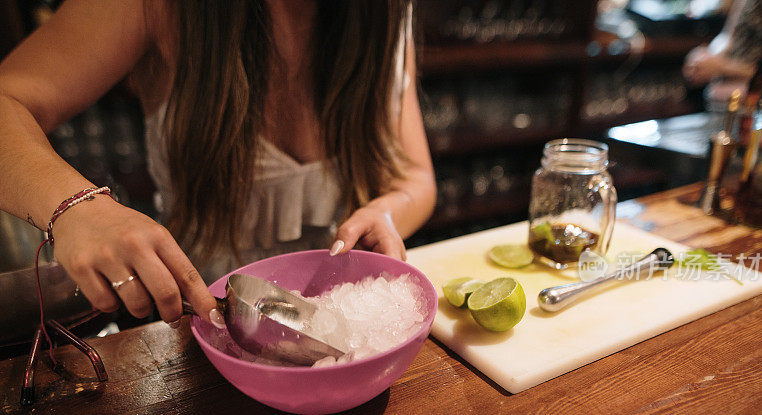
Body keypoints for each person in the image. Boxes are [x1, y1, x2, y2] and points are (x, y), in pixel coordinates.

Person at [0, 0, 436, 330]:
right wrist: (76, 207)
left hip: (344, 331)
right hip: (197, 332)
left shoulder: (385, 15)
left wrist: (387, 212)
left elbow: (415, 178)